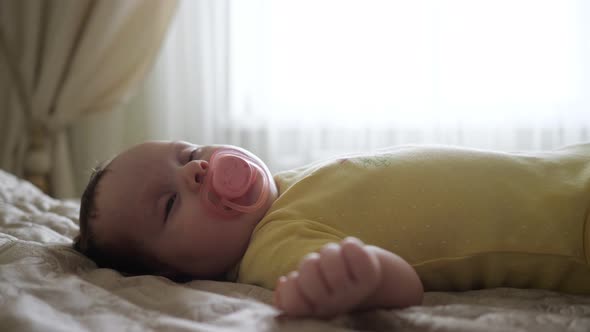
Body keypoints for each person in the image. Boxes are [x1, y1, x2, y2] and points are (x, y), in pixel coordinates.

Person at [74, 141, 590, 318]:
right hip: (571, 228)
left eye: (189, 153)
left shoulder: (286, 182)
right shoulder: (271, 249)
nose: (199, 169)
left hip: (565, 167)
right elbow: (400, 284)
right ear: (171, 272)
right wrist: (360, 279)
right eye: (169, 204)